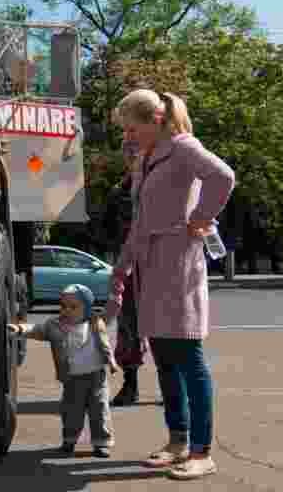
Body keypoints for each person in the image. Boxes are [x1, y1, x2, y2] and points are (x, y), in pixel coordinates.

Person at [107, 90, 235, 480]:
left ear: (155, 120)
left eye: (132, 128)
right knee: (163, 357)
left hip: (177, 261)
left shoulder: (183, 148)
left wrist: (200, 218)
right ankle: (177, 441)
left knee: (187, 355)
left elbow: (223, 176)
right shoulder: (147, 158)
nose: (128, 137)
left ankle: (202, 450)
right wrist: (122, 267)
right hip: (150, 263)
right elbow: (141, 220)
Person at [8, 283, 120, 457]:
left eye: (73, 307)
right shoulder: (55, 325)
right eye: (63, 306)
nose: (67, 310)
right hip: (72, 378)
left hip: (97, 376)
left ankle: (101, 442)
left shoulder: (96, 322)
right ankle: (69, 440)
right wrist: (20, 329)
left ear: (87, 307)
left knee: (99, 410)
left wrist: (116, 295)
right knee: (71, 411)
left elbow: (112, 311)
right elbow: (37, 329)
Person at [102, 139, 150, 406]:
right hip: (129, 268)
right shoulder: (118, 192)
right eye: (129, 152)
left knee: (167, 328)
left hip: (159, 266)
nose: (133, 156)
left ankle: (174, 388)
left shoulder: (161, 186)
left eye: (138, 150)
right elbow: (106, 231)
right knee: (129, 327)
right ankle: (130, 385)